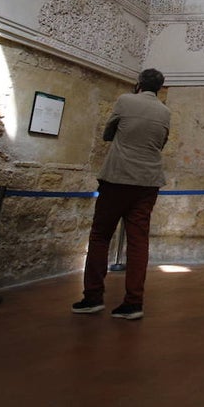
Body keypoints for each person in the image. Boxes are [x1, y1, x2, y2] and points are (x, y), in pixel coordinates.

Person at [72, 68, 172, 321]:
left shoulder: (125, 100)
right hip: (147, 182)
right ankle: (133, 302)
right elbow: (160, 143)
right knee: (138, 241)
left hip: (118, 177)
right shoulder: (165, 111)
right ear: (160, 87)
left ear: (139, 84)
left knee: (100, 235)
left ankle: (93, 296)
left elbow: (108, 133)